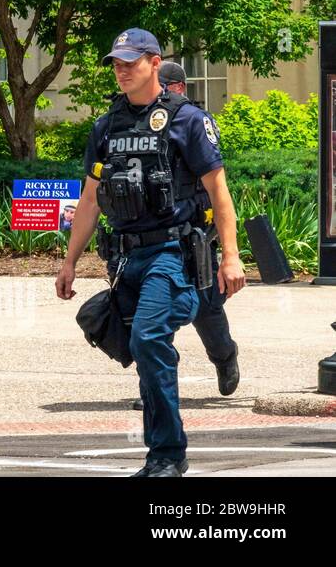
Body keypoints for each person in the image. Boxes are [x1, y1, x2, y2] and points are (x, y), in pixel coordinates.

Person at [56, 30, 246, 477]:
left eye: (130, 62)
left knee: (148, 338)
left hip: (171, 251)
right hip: (125, 260)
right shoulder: (107, 127)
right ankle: (166, 444)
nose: (121, 70)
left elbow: (219, 192)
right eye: (116, 63)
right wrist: (68, 263)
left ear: (155, 63)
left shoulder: (187, 120)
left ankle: (166, 454)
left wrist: (231, 256)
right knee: (139, 344)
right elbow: (89, 199)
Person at [127, 62, 239, 411]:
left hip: (195, 232)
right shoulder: (137, 121)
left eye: (165, 85)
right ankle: (157, 389)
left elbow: (216, 185)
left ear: (177, 87)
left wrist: (230, 253)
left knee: (206, 305)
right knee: (152, 313)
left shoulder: (193, 120)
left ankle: (224, 356)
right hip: (156, 236)